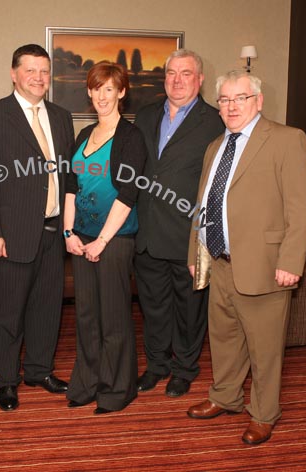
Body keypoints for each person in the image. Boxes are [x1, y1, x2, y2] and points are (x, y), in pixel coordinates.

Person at [186, 70, 306, 445]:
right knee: (224, 340)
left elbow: (301, 207)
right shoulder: (215, 146)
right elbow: (202, 205)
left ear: (257, 101)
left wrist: (291, 261)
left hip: (265, 266)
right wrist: (194, 250)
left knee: (264, 348)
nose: (230, 106)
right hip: (220, 262)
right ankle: (225, 397)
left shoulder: (287, 140)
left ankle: (263, 414)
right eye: (224, 100)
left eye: (239, 98)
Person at [0, 44, 75, 411]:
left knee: (48, 309)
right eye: (30, 70)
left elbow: (67, 175)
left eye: (44, 71)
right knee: (10, 313)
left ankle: (39, 370)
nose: (38, 77)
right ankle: (8, 380)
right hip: (10, 235)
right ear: (13, 74)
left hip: (53, 231)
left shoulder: (61, 117)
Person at [132, 49, 225, 397]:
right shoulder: (145, 115)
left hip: (188, 235)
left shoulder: (215, 121)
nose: (177, 80)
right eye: (171, 73)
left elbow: (219, 184)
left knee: (189, 310)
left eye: (186, 73)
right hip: (148, 232)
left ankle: (184, 369)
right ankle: (157, 365)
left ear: (200, 80)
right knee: (153, 307)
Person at [64, 61, 146, 414]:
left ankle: (116, 388)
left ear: (122, 92)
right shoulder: (84, 136)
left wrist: (102, 241)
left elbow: (128, 194)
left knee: (113, 316)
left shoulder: (131, 137)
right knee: (86, 314)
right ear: (89, 91)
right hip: (80, 238)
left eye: (109, 88)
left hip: (114, 239)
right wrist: (68, 232)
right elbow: (70, 187)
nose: (102, 95)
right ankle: (87, 381)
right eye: (97, 88)